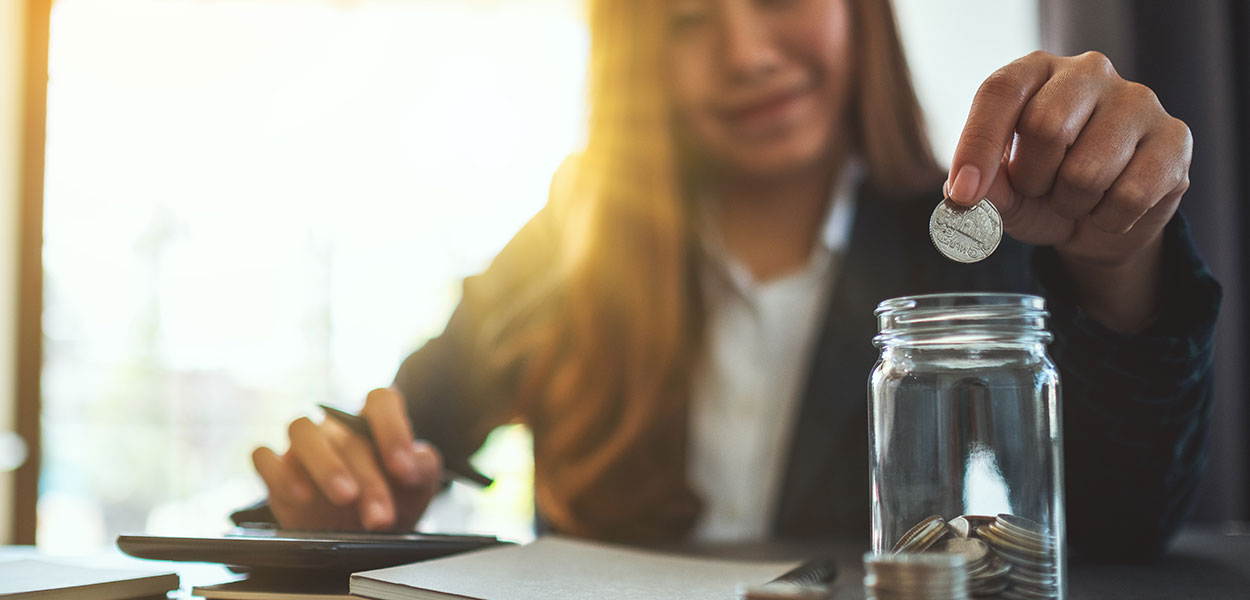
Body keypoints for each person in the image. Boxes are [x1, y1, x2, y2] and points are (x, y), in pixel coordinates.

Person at [240, 0, 1220, 560]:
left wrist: (1114, 259)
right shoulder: (567, 245)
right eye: (687, 18)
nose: (744, 52)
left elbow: (1124, 526)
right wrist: (346, 484)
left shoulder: (980, 239)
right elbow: (399, 441)